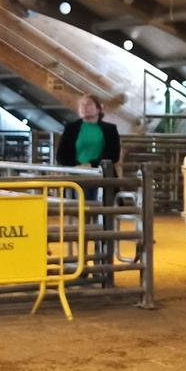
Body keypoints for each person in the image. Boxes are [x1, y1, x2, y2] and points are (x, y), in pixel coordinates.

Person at [58, 96, 121, 283]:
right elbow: (62, 155)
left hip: (101, 178)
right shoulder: (71, 128)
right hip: (77, 180)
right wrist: (78, 166)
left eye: (88, 104)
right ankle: (81, 262)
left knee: (102, 221)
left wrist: (91, 165)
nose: (84, 108)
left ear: (98, 108)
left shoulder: (110, 129)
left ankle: (101, 263)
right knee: (81, 223)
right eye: (81, 105)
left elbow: (113, 154)